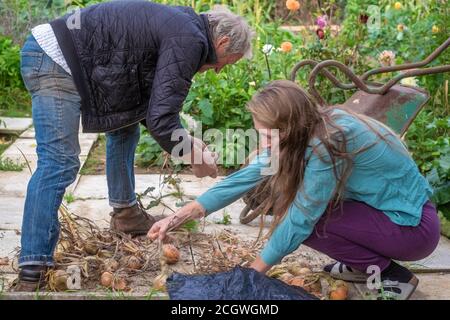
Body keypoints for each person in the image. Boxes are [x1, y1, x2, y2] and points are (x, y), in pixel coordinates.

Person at [16, 0, 253, 291]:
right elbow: (162, 119)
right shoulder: (189, 38)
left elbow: (152, 109)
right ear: (223, 41)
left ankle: (126, 215)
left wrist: (189, 142)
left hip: (68, 58)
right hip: (54, 60)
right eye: (228, 63)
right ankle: (34, 263)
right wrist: (194, 156)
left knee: (124, 127)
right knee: (59, 162)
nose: (218, 71)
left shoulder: (185, 27)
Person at [149, 80, 440, 300]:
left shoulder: (327, 144)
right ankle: (367, 265)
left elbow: (301, 218)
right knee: (306, 214)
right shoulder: (309, 128)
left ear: (287, 129)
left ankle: (391, 274)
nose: (262, 144)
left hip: (413, 230)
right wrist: (177, 216)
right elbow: (242, 179)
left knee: (305, 220)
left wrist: (251, 275)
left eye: (265, 136)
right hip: (389, 217)